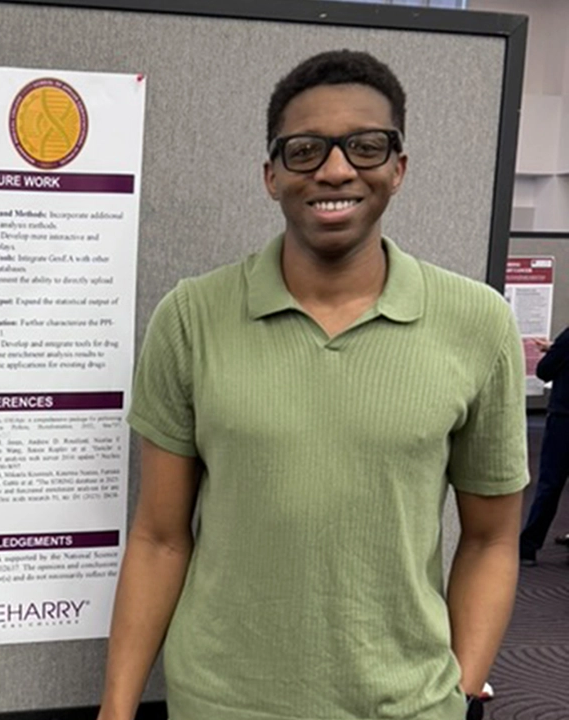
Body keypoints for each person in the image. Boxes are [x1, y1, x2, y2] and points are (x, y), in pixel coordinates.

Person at [96, 50, 528, 720]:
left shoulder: (478, 324)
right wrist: (117, 709)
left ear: (398, 167)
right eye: (305, 150)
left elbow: (491, 539)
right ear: (271, 175)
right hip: (220, 703)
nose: (335, 169)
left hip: (405, 705)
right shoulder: (191, 317)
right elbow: (159, 536)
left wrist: (460, 691)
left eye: (365, 146)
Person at [519, 326, 569, 566]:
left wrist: (556, 350)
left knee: (550, 485)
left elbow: (543, 371)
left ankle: (528, 547)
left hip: (564, 420)